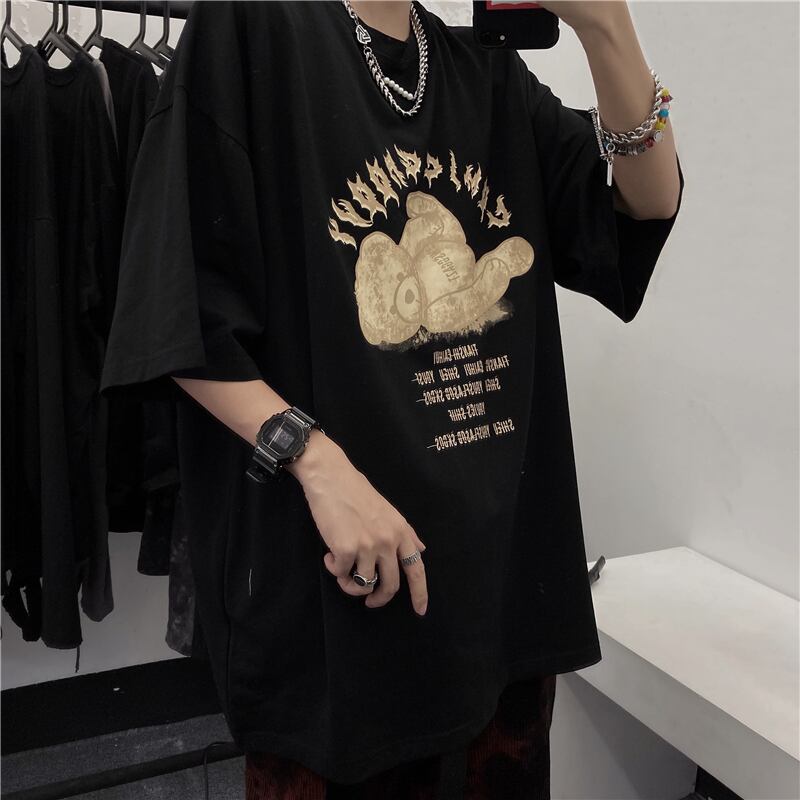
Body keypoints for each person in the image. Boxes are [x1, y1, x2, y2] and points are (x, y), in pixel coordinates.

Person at [99, 1, 684, 797]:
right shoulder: (255, 28)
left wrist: (605, 24)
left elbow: (643, 205)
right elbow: (174, 308)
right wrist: (315, 460)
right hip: (341, 593)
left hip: (500, 591)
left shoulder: (487, 71)